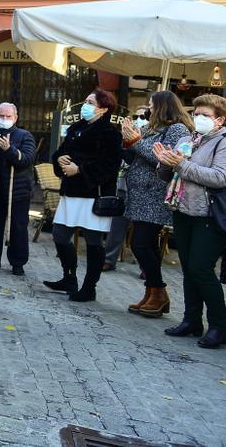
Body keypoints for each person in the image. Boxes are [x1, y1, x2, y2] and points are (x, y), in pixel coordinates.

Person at [156, 94, 226, 349]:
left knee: (201, 269)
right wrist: (165, 163)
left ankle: (219, 325)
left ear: (220, 120)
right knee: (188, 269)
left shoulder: (222, 143)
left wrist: (181, 165)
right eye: (196, 113)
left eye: (205, 115)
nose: (199, 118)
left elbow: (220, 177)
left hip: (209, 215)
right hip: (182, 210)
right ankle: (191, 320)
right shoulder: (187, 139)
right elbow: (170, 173)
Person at [44, 89, 122, 302]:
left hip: (93, 194)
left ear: (103, 108)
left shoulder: (110, 133)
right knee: (60, 235)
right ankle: (69, 277)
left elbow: (110, 165)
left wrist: (80, 170)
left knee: (93, 242)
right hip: (71, 192)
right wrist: (59, 160)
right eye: (86, 101)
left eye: (90, 102)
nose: (85, 105)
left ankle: (89, 287)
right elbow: (61, 151)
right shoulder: (77, 127)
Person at [119, 92, 191, 317]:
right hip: (140, 195)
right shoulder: (150, 129)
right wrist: (126, 142)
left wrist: (136, 142)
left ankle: (159, 292)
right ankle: (152, 293)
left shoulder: (178, 129)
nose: (148, 109)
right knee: (143, 245)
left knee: (142, 244)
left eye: (151, 105)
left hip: (155, 196)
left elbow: (163, 158)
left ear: (162, 107)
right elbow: (135, 156)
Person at [0, 103, 36, 275]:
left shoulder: (24, 135)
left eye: (8, 116)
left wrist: (9, 150)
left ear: (15, 118)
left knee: (18, 226)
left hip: (17, 190)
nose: (4, 119)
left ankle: (18, 263)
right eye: (1, 116)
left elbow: (26, 160)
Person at [104, 103, 153, 272]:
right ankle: (109, 259)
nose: (139, 120)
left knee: (143, 234)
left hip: (144, 190)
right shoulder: (123, 136)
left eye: (143, 117)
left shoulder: (151, 137)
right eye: (136, 117)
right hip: (124, 186)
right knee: (116, 225)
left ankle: (146, 268)